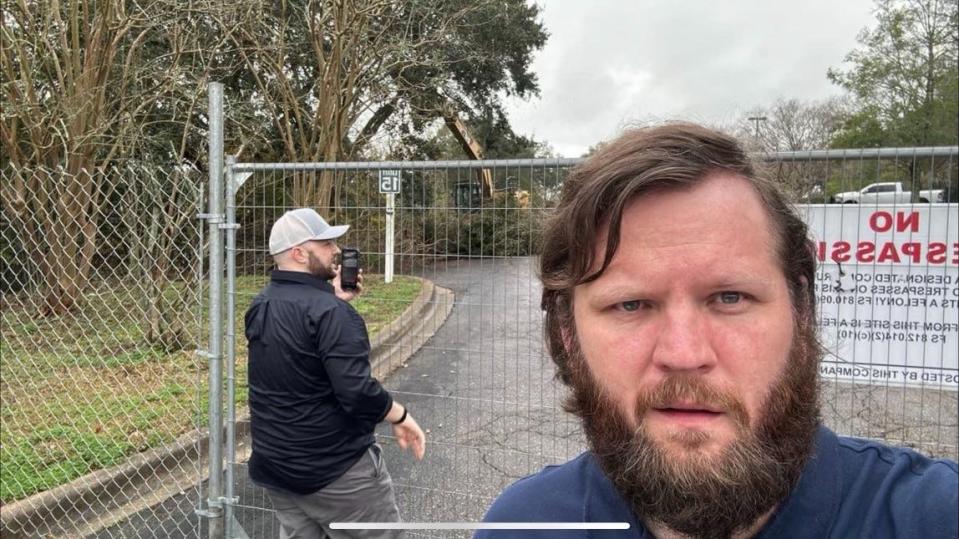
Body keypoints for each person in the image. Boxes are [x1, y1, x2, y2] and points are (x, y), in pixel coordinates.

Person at [478, 124, 958, 538]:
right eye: (630, 304)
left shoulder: (936, 518)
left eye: (730, 298)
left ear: (802, 308)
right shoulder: (525, 526)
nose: (684, 354)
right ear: (567, 332)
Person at [245, 208, 426, 538]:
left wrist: (337, 299)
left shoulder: (261, 304)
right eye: (326, 244)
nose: (336, 251)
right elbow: (357, 393)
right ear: (299, 253)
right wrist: (400, 416)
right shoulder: (331, 314)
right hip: (336, 474)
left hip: (276, 467)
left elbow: (295, 366)